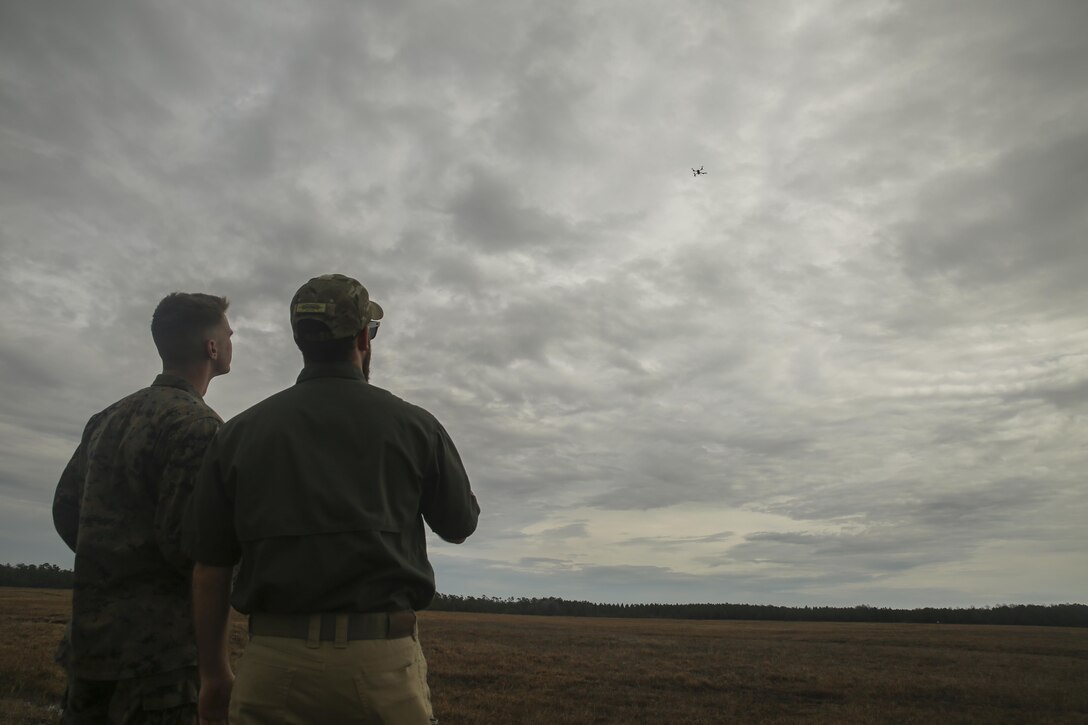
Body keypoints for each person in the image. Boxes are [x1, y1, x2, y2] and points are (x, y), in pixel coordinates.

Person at [185, 274, 480, 725]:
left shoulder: (238, 434)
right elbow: (460, 524)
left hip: (271, 668)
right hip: (381, 667)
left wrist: (213, 675)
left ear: (300, 340)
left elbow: (210, 567)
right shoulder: (416, 426)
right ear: (364, 337)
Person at [52, 292, 233, 724]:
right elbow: (188, 547)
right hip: (160, 662)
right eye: (228, 334)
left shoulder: (108, 417)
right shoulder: (200, 426)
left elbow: (66, 510)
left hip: (89, 646)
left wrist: (111, 557)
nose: (230, 341)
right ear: (211, 348)